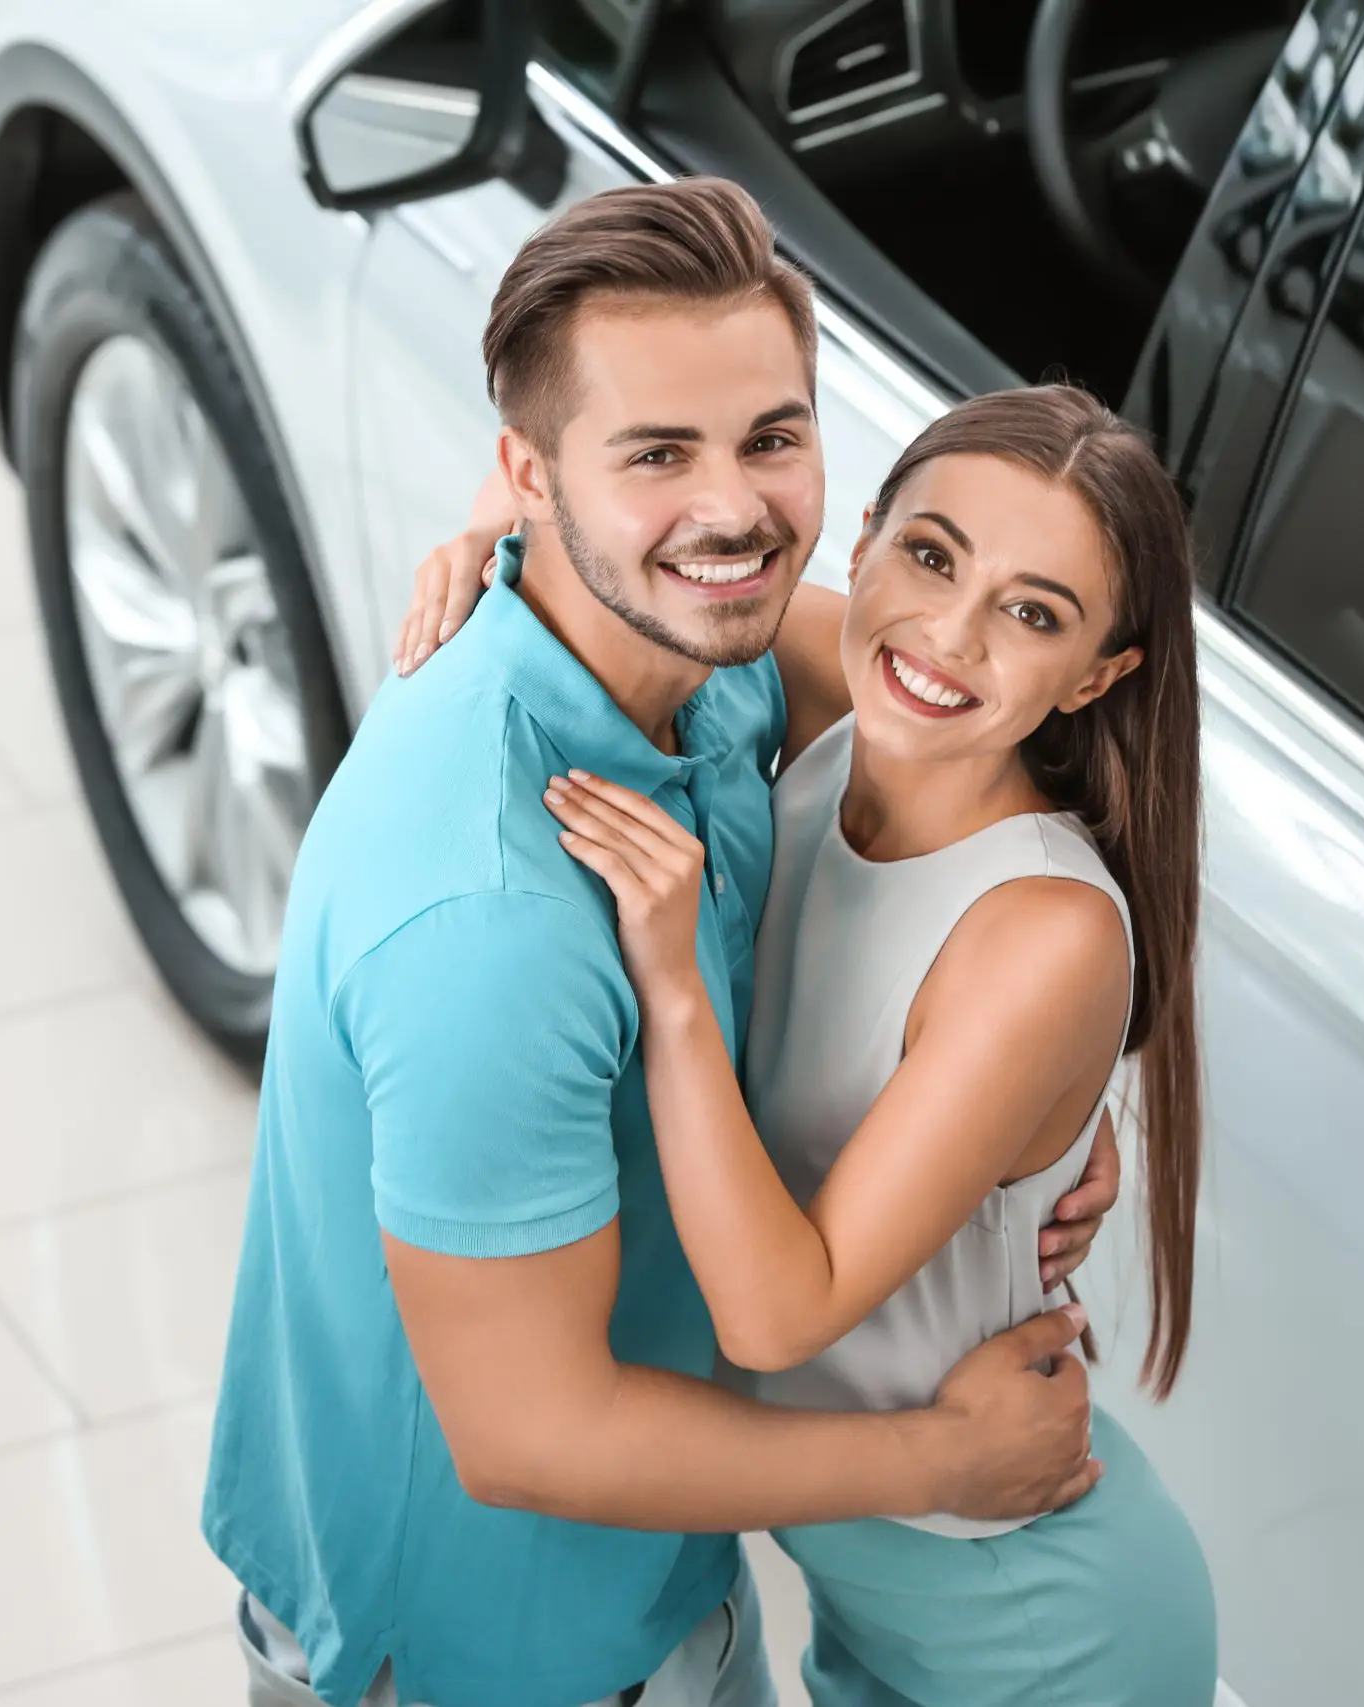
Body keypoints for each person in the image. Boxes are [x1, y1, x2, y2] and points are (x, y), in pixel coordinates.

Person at [201, 179, 1125, 1707]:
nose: (736, 509)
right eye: (655, 454)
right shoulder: (493, 920)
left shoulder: (712, 667)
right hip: (487, 1661)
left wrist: (1049, 1118)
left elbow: (969, 713)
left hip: (656, 1603)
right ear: (534, 465)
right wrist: (948, 1455)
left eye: (771, 436)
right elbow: (531, 1437)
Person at [399, 384, 1219, 1702]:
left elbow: (779, 1311)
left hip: (1028, 1624)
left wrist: (672, 986)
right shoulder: (847, 689)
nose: (949, 635)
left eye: (1033, 612)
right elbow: (616, 547)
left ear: (1100, 674)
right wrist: (487, 534)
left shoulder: (1045, 937)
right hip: (867, 1582)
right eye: (933, 554)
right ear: (867, 535)